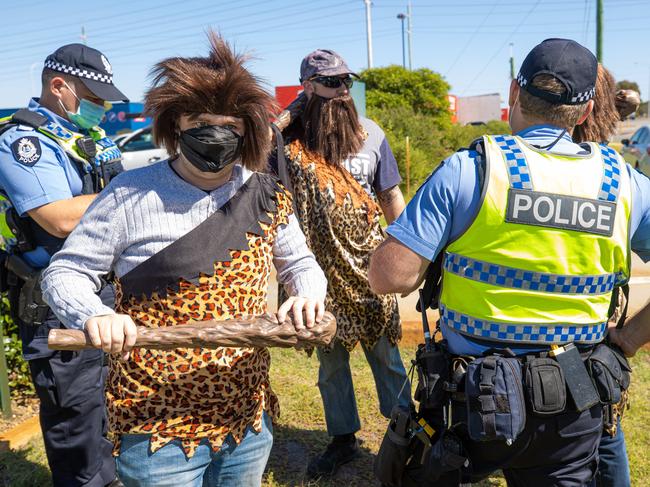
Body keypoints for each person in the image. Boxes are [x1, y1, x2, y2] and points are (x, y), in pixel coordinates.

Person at [40, 32, 327, 487]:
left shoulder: (267, 194)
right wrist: (94, 314)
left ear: (247, 130)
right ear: (176, 125)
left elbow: (300, 262)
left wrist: (308, 293)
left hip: (247, 416)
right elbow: (66, 272)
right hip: (156, 422)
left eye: (229, 126)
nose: (216, 135)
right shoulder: (128, 195)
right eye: (200, 121)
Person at [369, 38, 650, 486]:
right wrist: (629, 340)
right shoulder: (625, 183)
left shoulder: (472, 169)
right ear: (583, 112)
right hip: (574, 396)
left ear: (514, 94)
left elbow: (389, 277)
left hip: (468, 398)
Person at [272, 49, 410, 479]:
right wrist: (286, 116)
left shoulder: (371, 133)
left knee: (385, 353)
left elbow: (389, 197)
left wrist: (408, 251)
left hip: (371, 267)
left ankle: (405, 432)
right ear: (308, 87)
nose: (343, 90)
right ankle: (343, 438)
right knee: (331, 361)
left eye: (346, 82)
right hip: (317, 271)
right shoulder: (290, 141)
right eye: (331, 82)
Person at [0, 44, 128, 487]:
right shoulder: (24, 142)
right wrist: (134, 195)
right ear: (60, 86)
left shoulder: (83, 137)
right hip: (51, 300)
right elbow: (57, 217)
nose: (102, 108)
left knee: (111, 401)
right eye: (93, 98)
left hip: (103, 289)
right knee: (76, 412)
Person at [573, 64, 641, 487]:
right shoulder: (620, 178)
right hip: (589, 343)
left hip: (511, 355)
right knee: (600, 427)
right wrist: (629, 337)